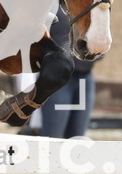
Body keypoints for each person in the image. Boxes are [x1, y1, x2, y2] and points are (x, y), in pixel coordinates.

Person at [40, 9, 97, 139]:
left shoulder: (92, 7)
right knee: (54, 137)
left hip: (84, 77)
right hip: (59, 79)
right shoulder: (53, 5)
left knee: (77, 140)